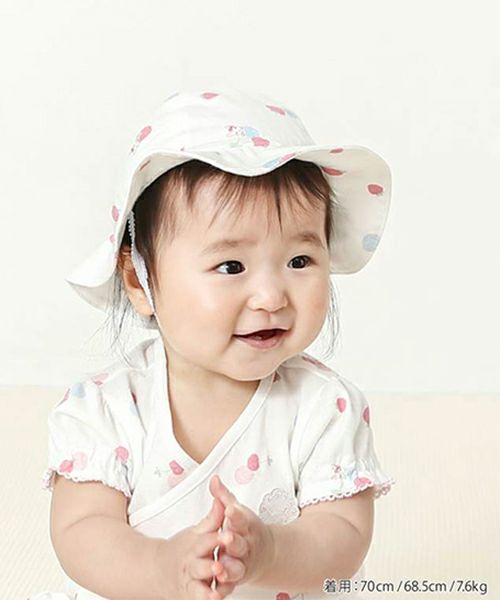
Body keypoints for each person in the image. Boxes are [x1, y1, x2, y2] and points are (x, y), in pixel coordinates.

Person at [30, 87, 396, 600]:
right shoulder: (108, 409)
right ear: (139, 281)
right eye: (230, 266)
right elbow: (80, 532)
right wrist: (164, 567)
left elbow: (344, 538)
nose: (271, 296)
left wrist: (270, 552)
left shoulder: (324, 408)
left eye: (299, 261)